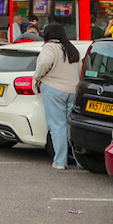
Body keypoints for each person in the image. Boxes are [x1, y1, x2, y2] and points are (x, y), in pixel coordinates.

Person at [32, 23, 81, 170]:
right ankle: (80, 161)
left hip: (54, 89)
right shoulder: (72, 48)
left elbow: (44, 63)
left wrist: (37, 76)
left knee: (57, 126)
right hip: (72, 91)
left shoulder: (50, 47)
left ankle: (60, 162)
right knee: (71, 127)